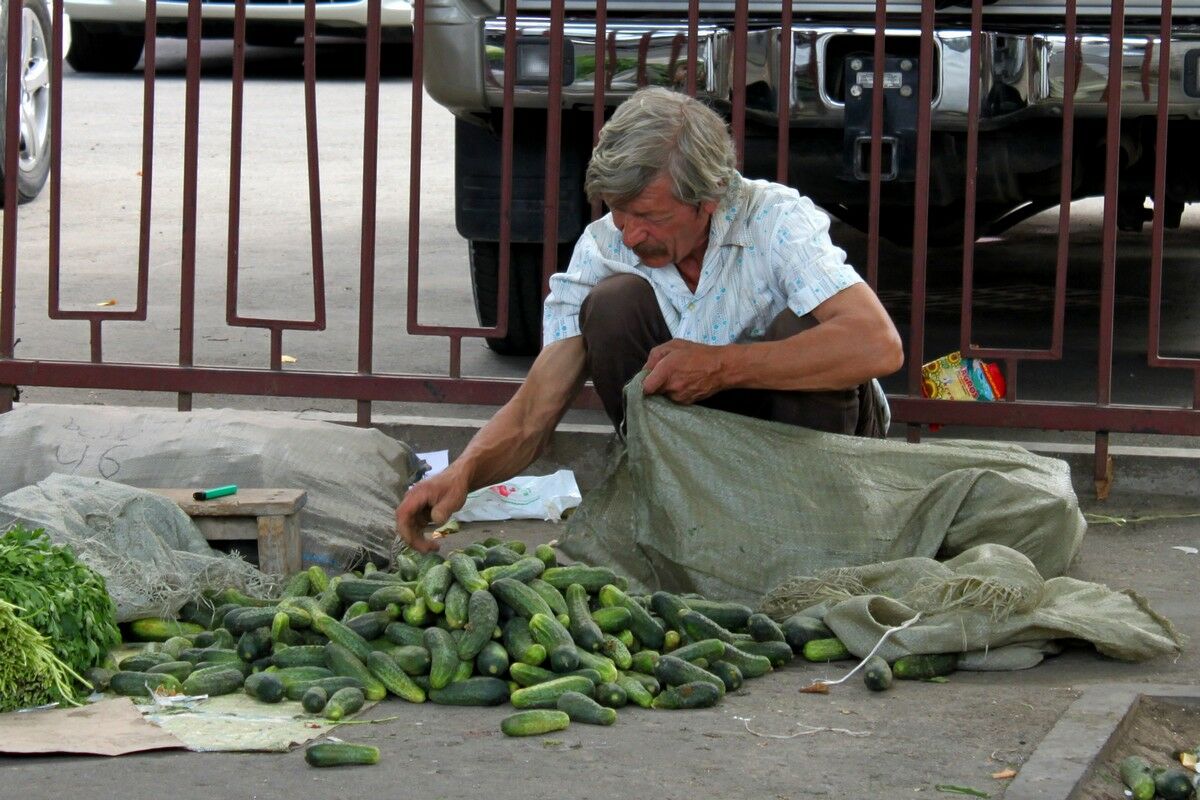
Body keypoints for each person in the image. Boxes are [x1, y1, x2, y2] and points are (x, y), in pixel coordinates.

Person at [396, 86, 903, 553]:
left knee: (807, 327)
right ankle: (674, 512)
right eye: (620, 213)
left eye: (651, 216)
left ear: (709, 199)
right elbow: (534, 412)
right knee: (613, 303)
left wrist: (721, 366)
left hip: (807, 445)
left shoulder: (775, 220)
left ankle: (810, 531)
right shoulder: (605, 245)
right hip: (697, 452)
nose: (632, 235)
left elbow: (877, 345)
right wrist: (464, 472)